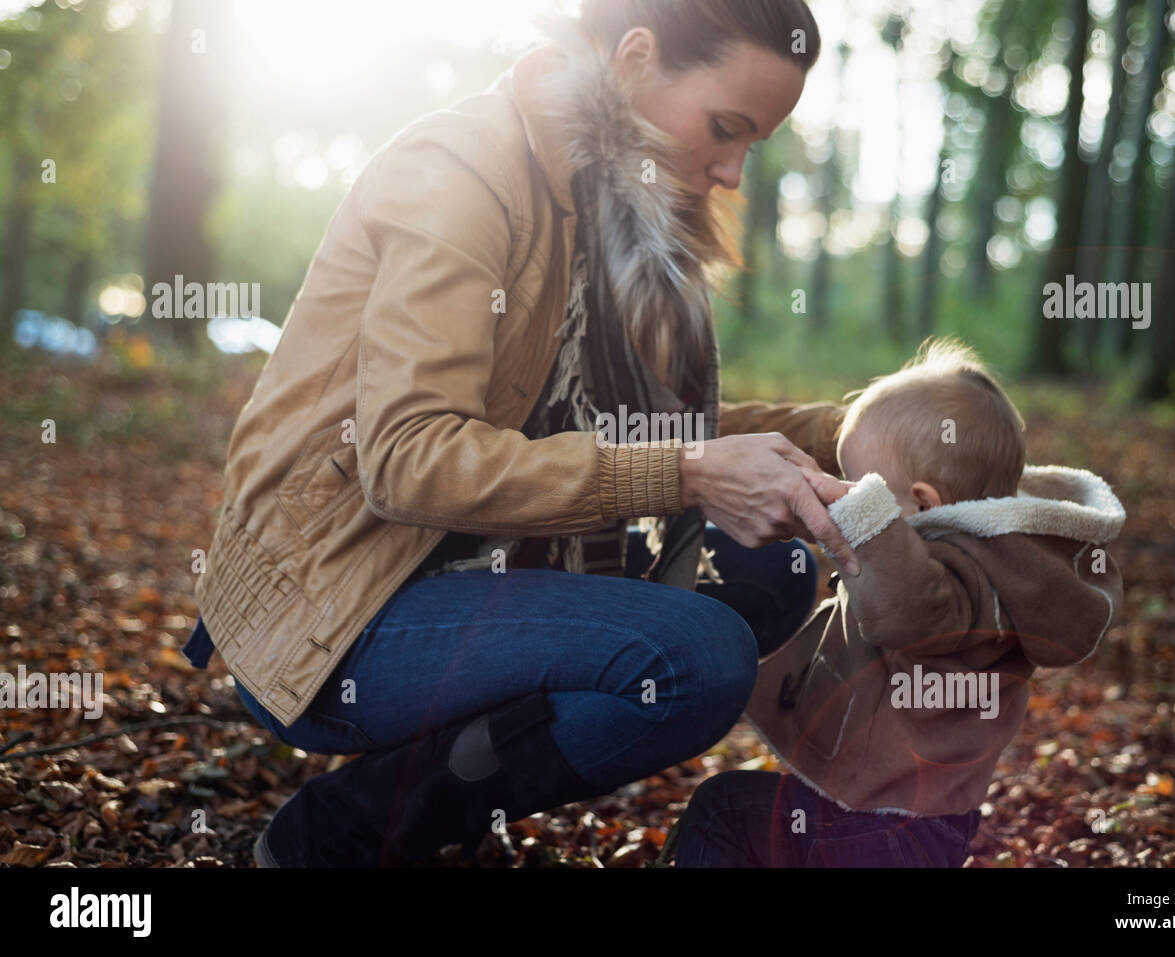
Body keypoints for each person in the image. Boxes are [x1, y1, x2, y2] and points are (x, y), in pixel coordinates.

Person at [182, 0, 863, 867]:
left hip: (472, 570)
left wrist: (859, 429)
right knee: (697, 655)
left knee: (774, 572)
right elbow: (408, 457)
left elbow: (650, 430)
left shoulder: (620, 207)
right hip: (343, 607)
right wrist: (689, 474)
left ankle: (442, 772)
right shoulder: (463, 170)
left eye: (750, 145)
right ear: (634, 60)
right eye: (724, 129)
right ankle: (346, 830)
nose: (730, 171)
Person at [674, 339, 1127, 866]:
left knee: (720, 809)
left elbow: (910, 615)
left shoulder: (960, 579)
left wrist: (864, 519)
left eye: (863, 487)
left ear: (923, 502)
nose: (849, 496)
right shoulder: (986, 561)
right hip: (913, 825)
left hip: (876, 829)